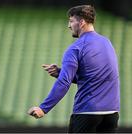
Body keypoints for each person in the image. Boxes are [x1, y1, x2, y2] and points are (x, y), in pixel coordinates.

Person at [28, 5, 120, 133]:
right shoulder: (107, 43)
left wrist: (43, 108)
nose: (69, 25)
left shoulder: (75, 48)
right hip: (112, 114)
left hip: (87, 113)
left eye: (71, 21)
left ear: (81, 22)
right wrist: (60, 72)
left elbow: (63, 82)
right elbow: (97, 76)